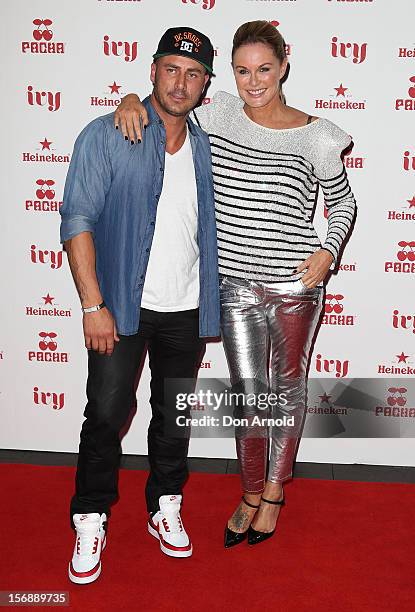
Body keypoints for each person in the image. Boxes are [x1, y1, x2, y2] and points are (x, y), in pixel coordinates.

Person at [114, 20, 356, 548]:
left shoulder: (317, 134)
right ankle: (249, 491)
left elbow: (343, 203)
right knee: (250, 396)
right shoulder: (218, 111)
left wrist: (327, 251)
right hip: (234, 287)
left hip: (295, 287)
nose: (253, 81)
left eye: (264, 69)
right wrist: (130, 95)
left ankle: (273, 491)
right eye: (243, 70)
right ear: (231, 74)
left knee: (286, 390)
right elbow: (168, 103)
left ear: (283, 66)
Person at [60, 26, 219, 583]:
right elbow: (76, 217)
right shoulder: (107, 134)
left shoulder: (207, 141)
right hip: (119, 308)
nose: (181, 82)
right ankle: (89, 515)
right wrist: (91, 304)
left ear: (206, 85)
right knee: (105, 415)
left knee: (172, 419)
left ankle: (165, 504)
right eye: (171, 68)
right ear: (151, 70)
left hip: (187, 307)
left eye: (193, 73)